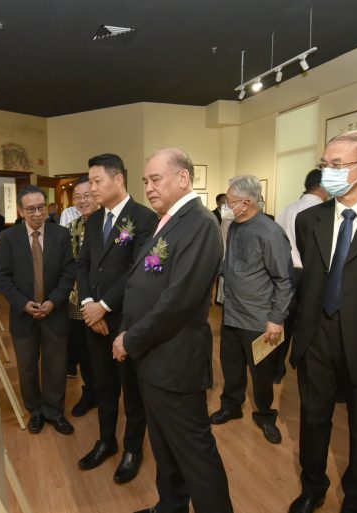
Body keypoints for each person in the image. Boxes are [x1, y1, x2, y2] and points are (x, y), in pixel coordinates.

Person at [114, 148, 234, 513]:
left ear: (183, 178)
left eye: (156, 179)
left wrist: (130, 339)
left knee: (195, 454)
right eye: (145, 181)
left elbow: (179, 301)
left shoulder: (200, 224)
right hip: (154, 358)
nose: (148, 188)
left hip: (175, 361)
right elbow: (147, 282)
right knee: (164, 446)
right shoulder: (168, 220)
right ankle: (170, 506)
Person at [289, 131, 357, 513]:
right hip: (316, 334)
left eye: (337, 165)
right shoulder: (309, 219)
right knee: (313, 418)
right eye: (324, 165)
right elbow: (312, 276)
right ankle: (312, 487)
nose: (327, 173)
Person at [77, 153, 157, 484]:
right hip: (94, 320)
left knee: (131, 389)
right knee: (103, 385)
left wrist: (105, 305)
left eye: (97, 181)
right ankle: (106, 441)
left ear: (118, 179)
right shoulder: (94, 219)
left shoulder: (144, 218)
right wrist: (88, 304)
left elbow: (139, 270)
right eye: (90, 181)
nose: (91, 188)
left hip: (125, 320)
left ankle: (133, 449)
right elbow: (84, 263)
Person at [210, 175, 293, 445]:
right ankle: (231, 405)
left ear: (246, 203)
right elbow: (231, 265)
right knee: (231, 365)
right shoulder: (235, 226)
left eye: (229, 201)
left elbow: (284, 280)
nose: (225, 205)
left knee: (261, 373)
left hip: (259, 319)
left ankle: (265, 414)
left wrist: (276, 319)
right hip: (232, 313)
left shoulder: (270, 232)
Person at [0, 185, 76, 435]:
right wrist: (23, 303)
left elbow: (68, 273)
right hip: (23, 316)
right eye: (31, 209)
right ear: (21, 211)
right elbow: (2, 277)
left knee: (55, 366)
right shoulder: (8, 238)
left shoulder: (61, 234)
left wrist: (53, 301)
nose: (38, 213)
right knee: (27, 367)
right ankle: (36, 412)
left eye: (41, 207)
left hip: (55, 312)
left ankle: (54, 412)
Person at [274, 169, 328, 383]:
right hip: (308, 275)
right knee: (308, 324)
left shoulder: (288, 208)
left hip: (284, 272)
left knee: (282, 322)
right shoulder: (320, 212)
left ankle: (276, 369)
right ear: (323, 186)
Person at [66, 176, 98, 417]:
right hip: (77, 300)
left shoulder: (110, 225)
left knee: (104, 352)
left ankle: (107, 393)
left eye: (87, 195)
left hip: (105, 301)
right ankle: (90, 393)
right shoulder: (73, 226)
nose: (83, 200)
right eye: (78, 197)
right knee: (83, 349)